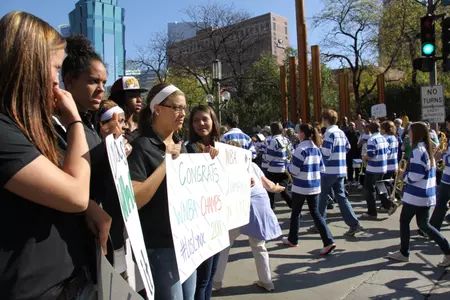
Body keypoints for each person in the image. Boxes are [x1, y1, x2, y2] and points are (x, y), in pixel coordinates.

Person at [0, 11, 94, 299]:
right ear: (28, 65)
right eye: (54, 68)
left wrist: (92, 208)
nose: (57, 82)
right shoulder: (4, 131)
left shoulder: (28, 125)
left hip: (70, 282)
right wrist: (75, 122)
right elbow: (75, 194)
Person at [127, 83, 197, 300]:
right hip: (160, 246)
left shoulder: (180, 145)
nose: (183, 114)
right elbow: (135, 198)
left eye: (184, 108)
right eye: (176, 107)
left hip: (186, 244)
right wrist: (166, 163)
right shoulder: (141, 146)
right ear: (157, 108)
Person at [213, 141, 283, 292]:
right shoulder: (253, 165)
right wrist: (279, 188)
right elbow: (269, 186)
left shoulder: (224, 167)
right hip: (259, 205)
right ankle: (267, 281)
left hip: (239, 207)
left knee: (224, 246)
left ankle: (216, 282)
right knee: (259, 246)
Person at [386, 122, 450, 267]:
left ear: (416, 134)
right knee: (425, 225)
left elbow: (416, 175)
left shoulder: (417, 151)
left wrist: (403, 176)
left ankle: (404, 252)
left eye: (410, 132)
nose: (408, 135)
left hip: (416, 195)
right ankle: (447, 250)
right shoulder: (428, 149)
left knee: (404, 222)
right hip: (426, 194)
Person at [282, 124, 336, 255]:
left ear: (302, 134)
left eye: (298, 132)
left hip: (301, 186)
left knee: (296, 213)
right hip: (314, 185)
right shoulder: (316, 148)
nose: (297, 134)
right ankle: (328, 240)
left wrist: (288, 166)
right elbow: (322, 169)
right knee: (316, 213)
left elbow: (294, 170)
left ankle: (293, 239)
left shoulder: (301, 148)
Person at [185, 105, 221, 300]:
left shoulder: (224, 148)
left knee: (211, 276)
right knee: (203, 280)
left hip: (219, 221)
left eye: (205, 119)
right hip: (200, 224)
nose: (201, 124)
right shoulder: (189, 149)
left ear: (213, 121)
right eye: (196, 120)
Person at [315, 109, 362, 236]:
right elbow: (348, 147)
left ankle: (320, 223)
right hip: (340, 169)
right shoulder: (340, 132)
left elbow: (325, 153)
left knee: (322, 197)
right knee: (341, 197)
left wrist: (319, 148)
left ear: (325, 120)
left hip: (329, 171)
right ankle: (354, 223)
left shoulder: (329, 133)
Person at [362, 122, 389, 218]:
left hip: (373, 168)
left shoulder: (371, 139)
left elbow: (371, 155)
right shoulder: (383, 138)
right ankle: (387, 205)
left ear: (370, 129)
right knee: (380, 186)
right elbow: (388, 152)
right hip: (383, 166)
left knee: (369, 190)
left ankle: (372, 212)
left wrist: (364, 157)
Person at [109, 76, 147, 141]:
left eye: (139, 95)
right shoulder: (111, 128)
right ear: (120, 98)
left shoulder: (144, 127)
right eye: (133, 96)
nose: (139, 100)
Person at [265, 122, 293, 209]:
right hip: (285, 169)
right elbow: (291, 153)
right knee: (284, 191)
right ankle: (294, 207)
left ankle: (271, 208)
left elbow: (269, 157)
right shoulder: (286, 140)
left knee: (270, 190)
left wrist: (264, 156)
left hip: (274, 169)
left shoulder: (273, 141)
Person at [429, 115, 450, 231]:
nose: (446, 126)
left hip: (448, 177)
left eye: (447, 124)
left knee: (441, 202)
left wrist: (442, 155)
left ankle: (432, 227)